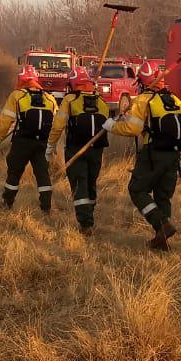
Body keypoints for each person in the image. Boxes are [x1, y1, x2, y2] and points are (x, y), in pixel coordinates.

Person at [106, 60, 181, 251]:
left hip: (153, 154)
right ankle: (162, 240)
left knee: (137, 190)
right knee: (163, 197)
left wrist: (112, 126)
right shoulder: (176, 101)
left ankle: (161, 225)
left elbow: (132, 129)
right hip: (174, 155)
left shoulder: (143, 101)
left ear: (142, 81)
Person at [49, 66, 110, 235]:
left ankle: (85, 224)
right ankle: (89, 215)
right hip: (97, 150)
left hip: (76, 149)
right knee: (91, 182)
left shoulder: (70, 100)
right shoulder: (101, 101)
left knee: (79, 183)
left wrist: (51, 145)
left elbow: (58, 125)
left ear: (73, 83)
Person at [0, 65, 57, 214]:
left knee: (14, 173)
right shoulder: (49, 98)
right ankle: (46, 207)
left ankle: (7, 203)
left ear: (21, 79)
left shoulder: (17, 95)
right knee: (43, 174)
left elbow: (5, 122)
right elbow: (55, 124)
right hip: (43, 143)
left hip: (22, 142)